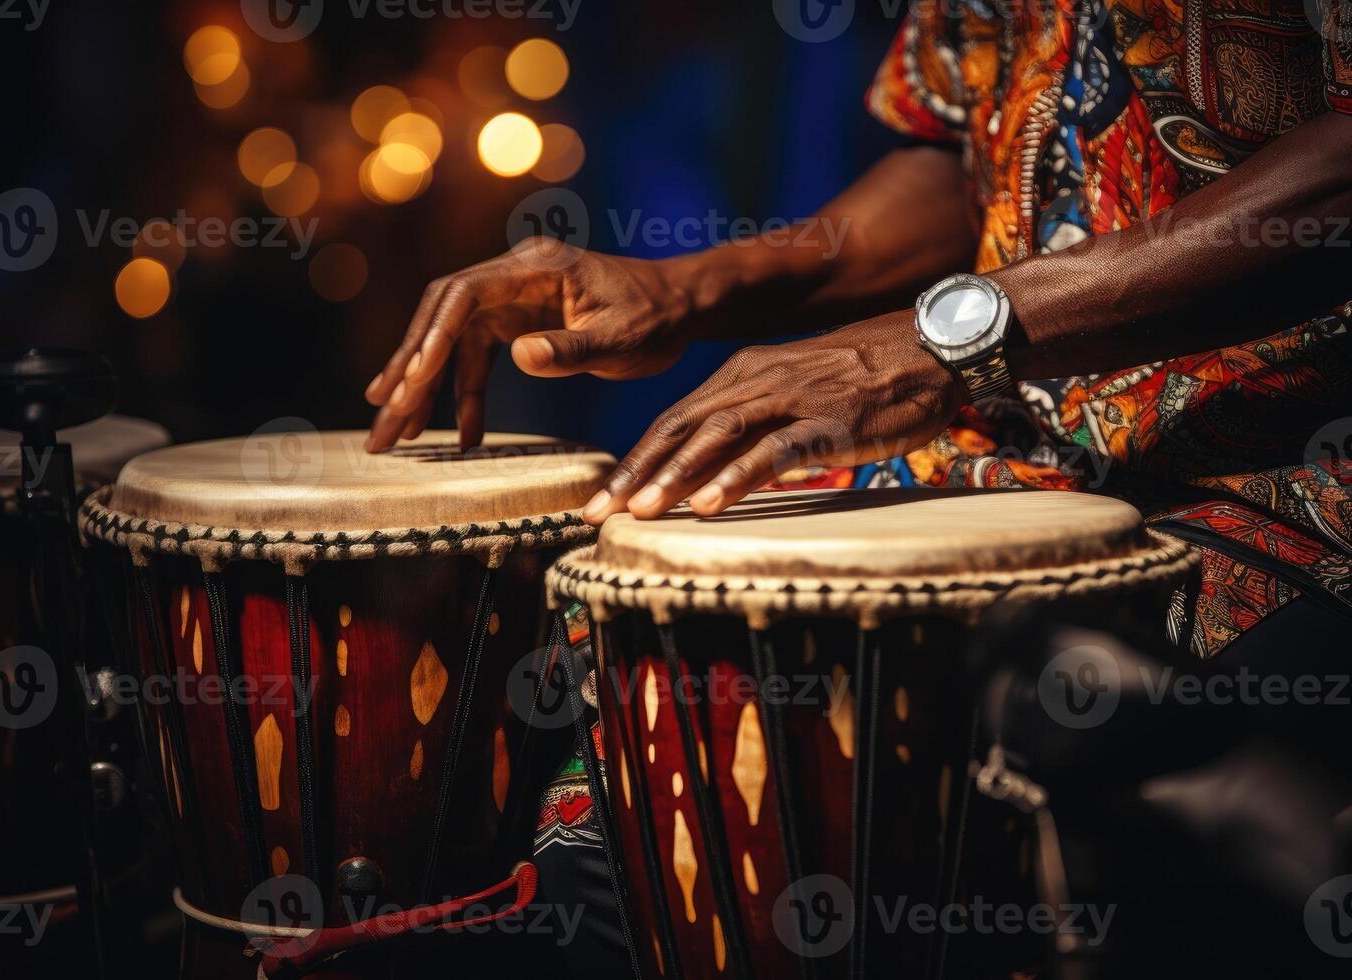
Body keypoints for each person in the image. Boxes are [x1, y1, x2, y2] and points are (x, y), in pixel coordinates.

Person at [366, 2, 1351, 652]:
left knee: (1027, 697)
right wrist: (687, 287)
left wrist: (942, 339)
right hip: (1014, 437)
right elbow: (964, 158)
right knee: (651, 615)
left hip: (1288, 470)